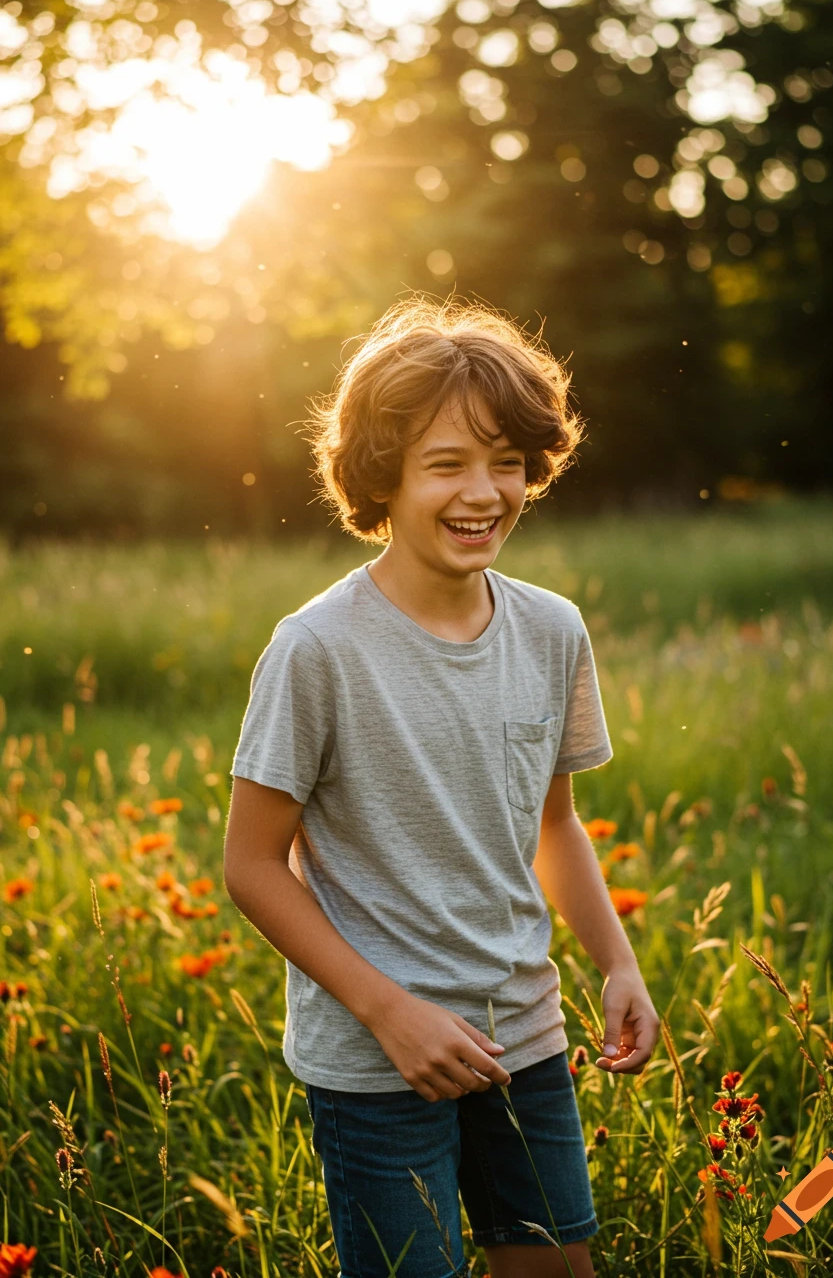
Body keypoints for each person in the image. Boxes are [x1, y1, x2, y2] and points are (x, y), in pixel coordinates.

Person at [224, 295, 660, 1278]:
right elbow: (251, 866)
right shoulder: (316, 649)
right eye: (446, 462)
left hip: (529, 1040)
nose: (483, 491)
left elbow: (555, 825)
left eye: (505, 460)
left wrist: (616, 963)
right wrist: (389, 1010)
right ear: (383, 475)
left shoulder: (552, 631)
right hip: (377, 1066)